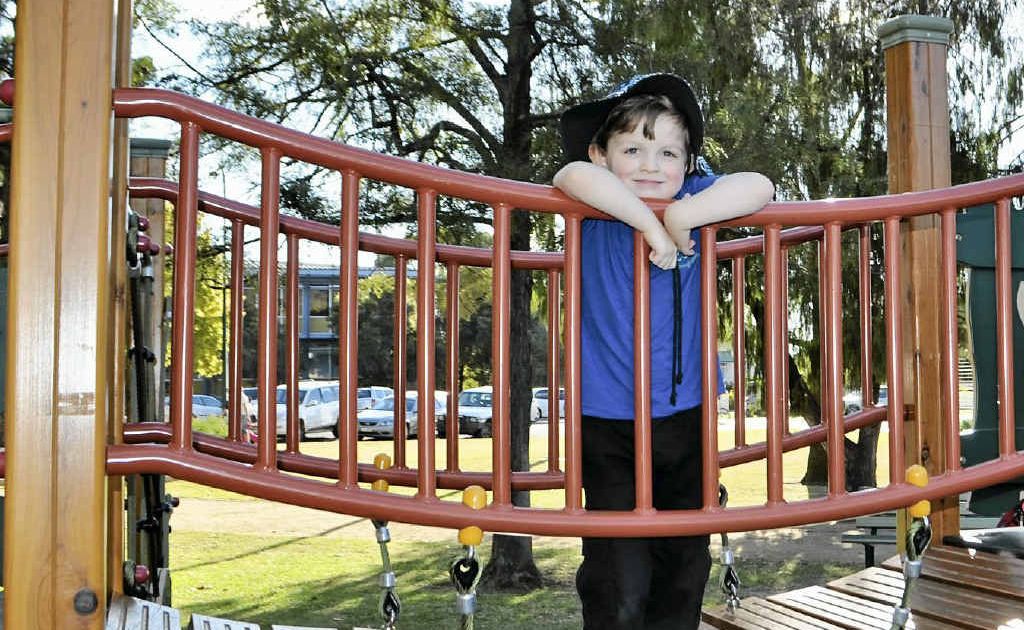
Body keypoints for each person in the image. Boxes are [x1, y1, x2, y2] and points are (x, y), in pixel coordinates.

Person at [553, 74, 774, 629]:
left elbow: (760, 186)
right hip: (608, 420)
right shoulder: (594, 206)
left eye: (667, 152)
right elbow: (569, 172)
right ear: (602, 155)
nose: (650, 165)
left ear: (688, 164)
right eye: (632, 149)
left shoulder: (695, 203)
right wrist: (652, 227)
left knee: (683, 572)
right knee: (618, 579)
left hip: (685, 418)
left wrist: (680, 217)